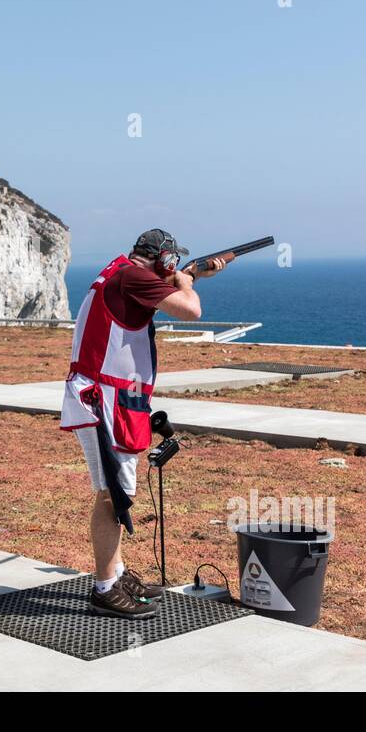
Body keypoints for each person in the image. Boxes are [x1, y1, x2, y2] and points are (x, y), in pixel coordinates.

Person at [60, 229, 227, 618]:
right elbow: (192, 311)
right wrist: (187, 282)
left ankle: (115, 573)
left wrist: (189, 276)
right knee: (112, 496)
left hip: (111, 397)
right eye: (172, 263)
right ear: (165, 261)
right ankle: (104, 588)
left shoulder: (122, 273)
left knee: (115, 492)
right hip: (104, 400)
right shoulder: (133, 278)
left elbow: (149, 297)